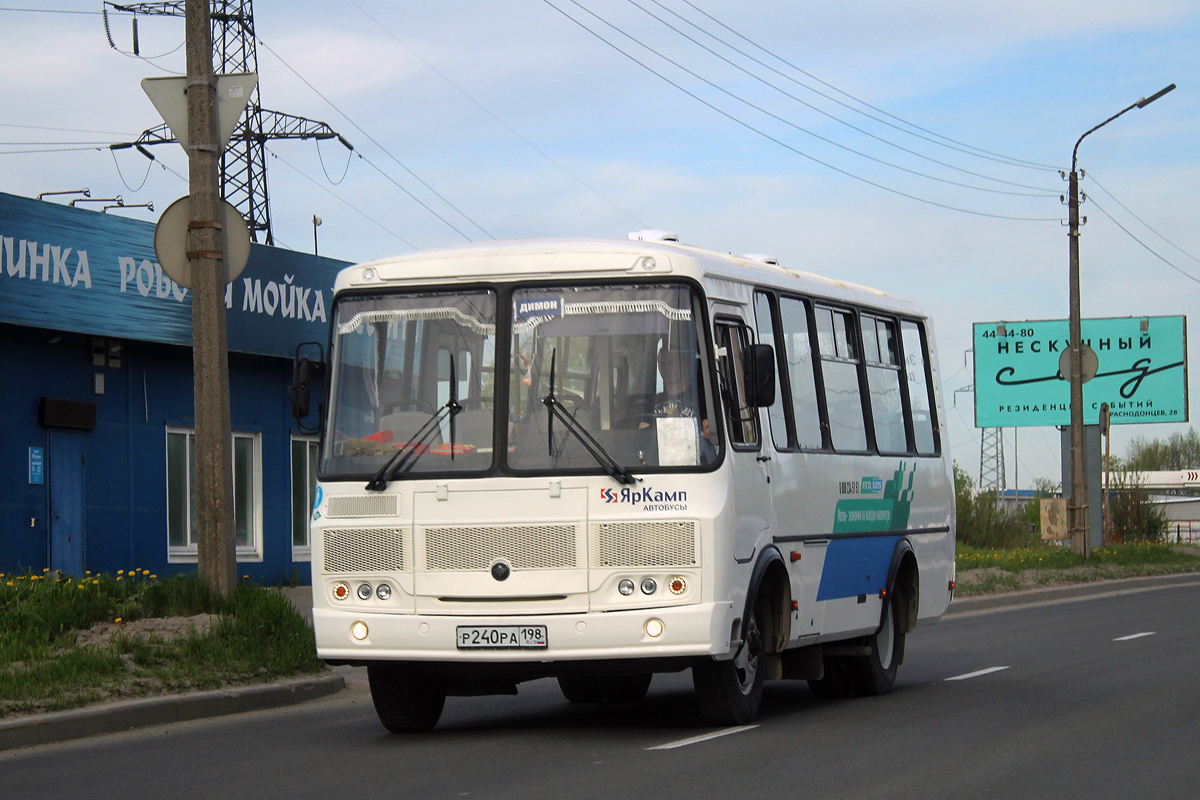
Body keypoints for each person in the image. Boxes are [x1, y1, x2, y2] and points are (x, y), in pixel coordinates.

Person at [640, 346, 714, 444]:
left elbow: (711, 435)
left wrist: (684, 430)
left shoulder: (699, 397)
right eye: (663, 364)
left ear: (684, 364)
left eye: (671, 362)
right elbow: (641, 435)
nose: (667, 368)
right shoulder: (653, 401)